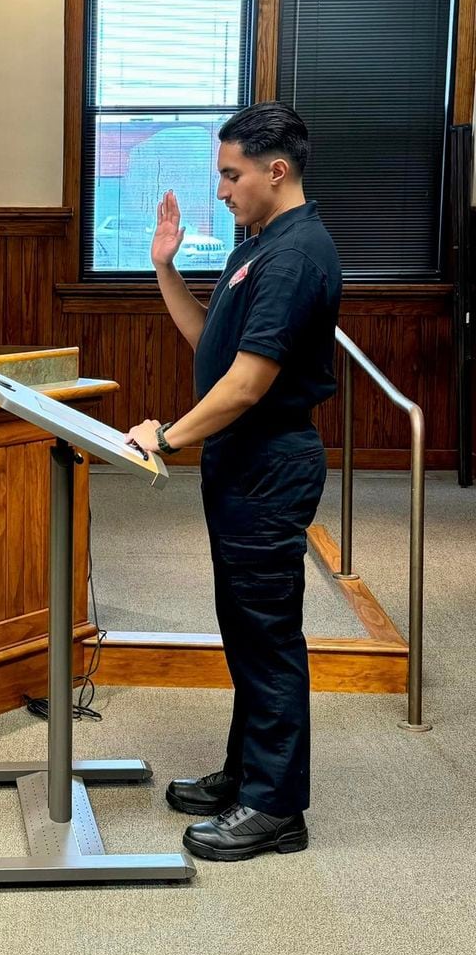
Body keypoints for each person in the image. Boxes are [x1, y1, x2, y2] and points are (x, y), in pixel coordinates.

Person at [126, 102, 341, 862]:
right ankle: (250, 773)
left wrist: (166, 438)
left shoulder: (296, 255)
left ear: (275, 170)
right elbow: (211, 347)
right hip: (240, 462)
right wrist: (163, 265)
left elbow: (249, 386)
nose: (222, 189)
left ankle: (276, 808)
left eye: (231, 173)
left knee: (269, 635)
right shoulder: (260, 248)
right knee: (246, 631)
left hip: (269, 463)